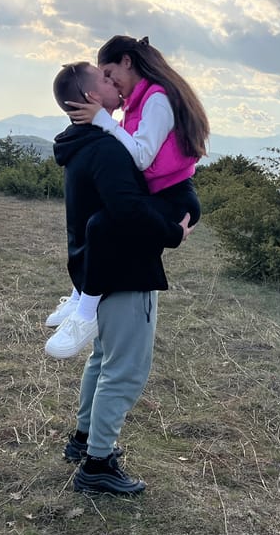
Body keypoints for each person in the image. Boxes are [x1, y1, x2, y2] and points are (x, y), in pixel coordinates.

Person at [50, 61, 193, 494]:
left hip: (97, 266)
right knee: (126, 370)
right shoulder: (108, 148)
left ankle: (82, 439)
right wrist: (174, 232)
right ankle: (97, 464)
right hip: (125, 269)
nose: (114, 84)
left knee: (102, 359)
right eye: (105, 80)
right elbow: (128, 209)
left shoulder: (80, 145)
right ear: (92, 98)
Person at [45, 35, 209, 357]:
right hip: (158, 194)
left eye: (109, 73)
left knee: (102, 225)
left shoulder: (156, 99)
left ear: (127, 62)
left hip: (175, 198)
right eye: (103, 78)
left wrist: (105, 121)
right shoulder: (134, 104)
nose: (110, 81)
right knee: (98, 221)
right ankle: (82, 297)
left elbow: (143, 157)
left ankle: (85, 313)